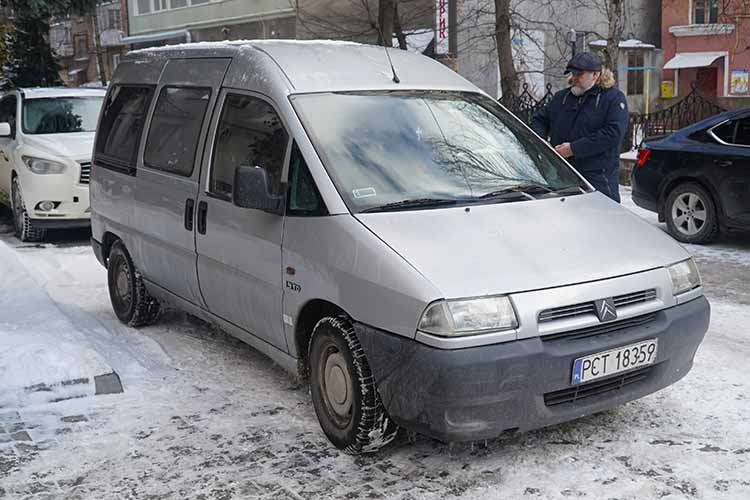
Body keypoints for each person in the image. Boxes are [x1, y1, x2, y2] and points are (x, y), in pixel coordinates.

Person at [531, 52, 628, 202]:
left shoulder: (613, 99)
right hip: (562, 176)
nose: (573, 78)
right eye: (572, 74)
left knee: (601, 221)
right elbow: (539, 119)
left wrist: (573, 149)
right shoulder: (562, 98)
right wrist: (541, 141)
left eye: (579, 74)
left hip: (598, 179)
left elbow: (612, 134)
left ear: (595, 75)